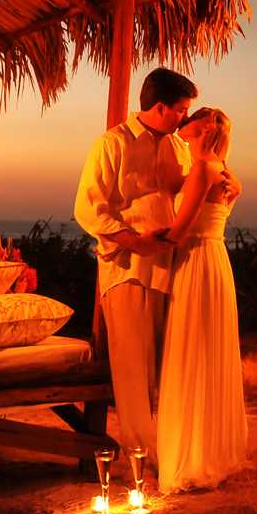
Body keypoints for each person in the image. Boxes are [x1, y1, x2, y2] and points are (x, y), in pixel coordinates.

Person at [72, 67, 198, 458]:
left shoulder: (179, 148)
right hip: (126, 266)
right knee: (132, 365)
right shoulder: (113, 144)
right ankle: (142, 453)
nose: (185, 117)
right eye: (180, 109)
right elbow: (88, 208)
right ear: (160, 107)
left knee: (163, 361)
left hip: (169, 264)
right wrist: (133, 241)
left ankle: (168, 447)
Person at [154, 107, 248, 492]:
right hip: (215, 261)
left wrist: (127, 242)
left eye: (189, 119)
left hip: (195, 261)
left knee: (192, 350)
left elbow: (181, 229)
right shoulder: (227, 173)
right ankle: (208, 449)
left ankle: (191, 456)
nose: (182, 123)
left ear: (203, 128)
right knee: (208, 350)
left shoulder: (204, 170)